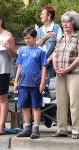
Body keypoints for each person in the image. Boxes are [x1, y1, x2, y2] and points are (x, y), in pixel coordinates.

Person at [14, 26, 47, 139]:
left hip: (35, 84)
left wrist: (43, 82)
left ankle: (36, 129)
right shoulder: (22, 51)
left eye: (29, 38)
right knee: (24, 107)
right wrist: (15, 81)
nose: (26, 40)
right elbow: (19, 66)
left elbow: (44, 67)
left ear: (34, 38)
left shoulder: (40, 51)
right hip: (23, 84)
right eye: (25, 38)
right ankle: (27, 128)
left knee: (36, 107)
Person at [52, 11, 79, 139]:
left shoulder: (78, 37)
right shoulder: (60, 38)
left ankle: (76, 130)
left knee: (75, 102)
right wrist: (56, 68)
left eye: (67, 22)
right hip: (60, 74)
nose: (64, 24)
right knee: (61, 102)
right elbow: (55, 55)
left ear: (74, 23)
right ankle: (62, 129)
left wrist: (68, 69)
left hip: (74, 73)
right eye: (63, 22)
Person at [36, 5, 63, 97]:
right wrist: (45, 37)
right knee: (39, 87)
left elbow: (59, 47)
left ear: (49, 15)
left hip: (51, 65)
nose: (40, 16)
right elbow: (35, 45)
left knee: (51, 89)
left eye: (42, 14)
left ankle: (50, 111)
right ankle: (41, 110)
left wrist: (48, 60)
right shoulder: (39, 29)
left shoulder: (57, 28)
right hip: (39, 64)